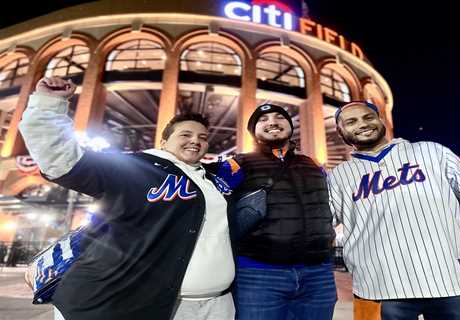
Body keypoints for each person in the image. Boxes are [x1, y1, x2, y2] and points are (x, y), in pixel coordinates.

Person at [19, 77, 236, 320]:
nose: (196, 140)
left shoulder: (215, 181)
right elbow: (61, 160)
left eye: (203, 137)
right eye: (185, 134)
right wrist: (49, 104)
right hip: (123, 303)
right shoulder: (135, 166)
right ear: (163, 141)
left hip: (215, 304)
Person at [328, 101, 460, 320]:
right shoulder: (338, 177)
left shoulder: (431, 151)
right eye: (351, 122)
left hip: (452, 281)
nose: (362, 124)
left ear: (381, 121)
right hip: (377, 289)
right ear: (341, 133)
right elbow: (316, 223)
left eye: (368, 117)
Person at [217, 104, 337, 320]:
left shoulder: (314, 164)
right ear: (253, 131)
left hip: (318, 275)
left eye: (279, 117)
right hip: (259, 275)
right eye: (263, 120)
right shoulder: (237, 164)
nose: (272, 122)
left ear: (290, 126)